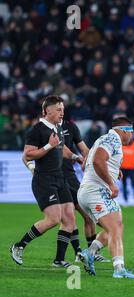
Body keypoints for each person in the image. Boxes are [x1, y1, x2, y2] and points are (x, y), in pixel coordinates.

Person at [10, 95, 82, 267]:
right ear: (47, 111)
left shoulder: (57, 128)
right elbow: (28, 154)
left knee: (70, 218)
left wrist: (74, 156)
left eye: (63, 109)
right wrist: (48, 146)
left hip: (59, 177)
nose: (62, 112)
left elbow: (61, 147)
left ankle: (59, 260)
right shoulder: (37, 130)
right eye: (58, 109)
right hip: (44, 179)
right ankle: (19, 246)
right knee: (53, 219)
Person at [78, 117, 134, 279]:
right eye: (130, 131)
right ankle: (119, 268)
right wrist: (110, 183)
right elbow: (98, 160)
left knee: (117, 225)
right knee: (115, 228)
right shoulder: (113, 139)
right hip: (97, 191)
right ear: (122, 131)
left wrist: (113, 171)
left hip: (89, 191)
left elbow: (86, 163)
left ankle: (89, 253)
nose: (132, 135)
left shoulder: (103, 138)